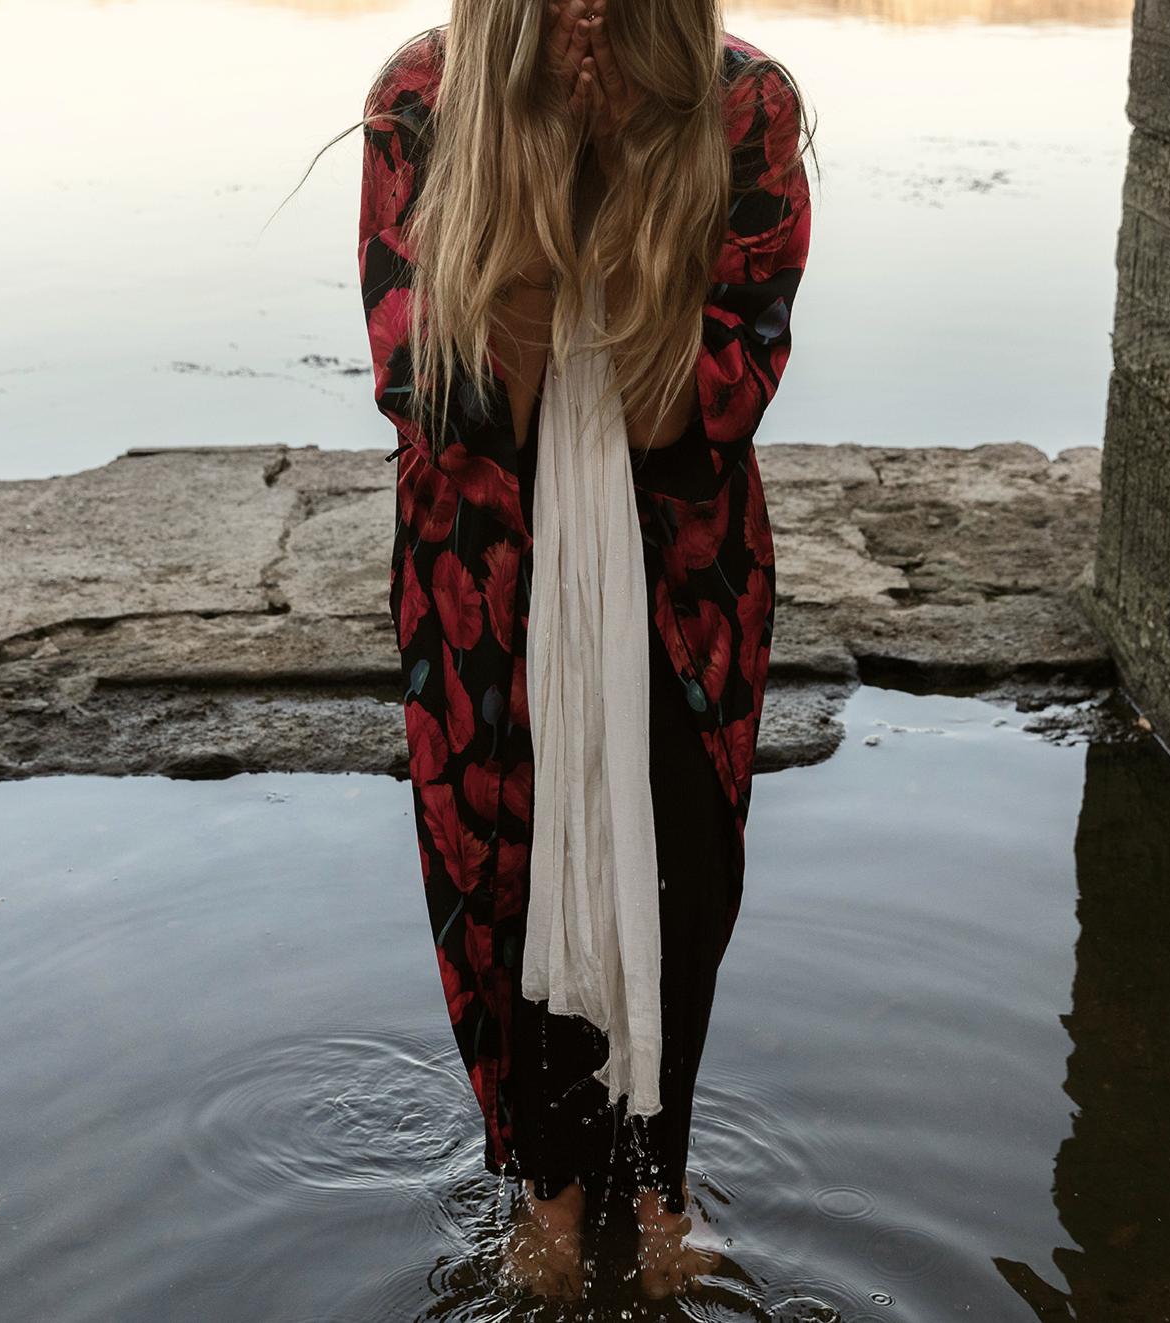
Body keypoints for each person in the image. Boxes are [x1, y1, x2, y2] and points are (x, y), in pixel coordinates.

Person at [357, 0, 809, 1299]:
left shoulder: (744, 107)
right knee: (502, 866)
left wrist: (628, 187)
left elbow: (714, 399)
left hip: (681, 574)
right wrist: (538, 186)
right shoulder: (421, 104)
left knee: (682, 866)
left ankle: (659, 1181)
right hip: (483, 574)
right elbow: (439, 402)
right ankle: (549, 1193)